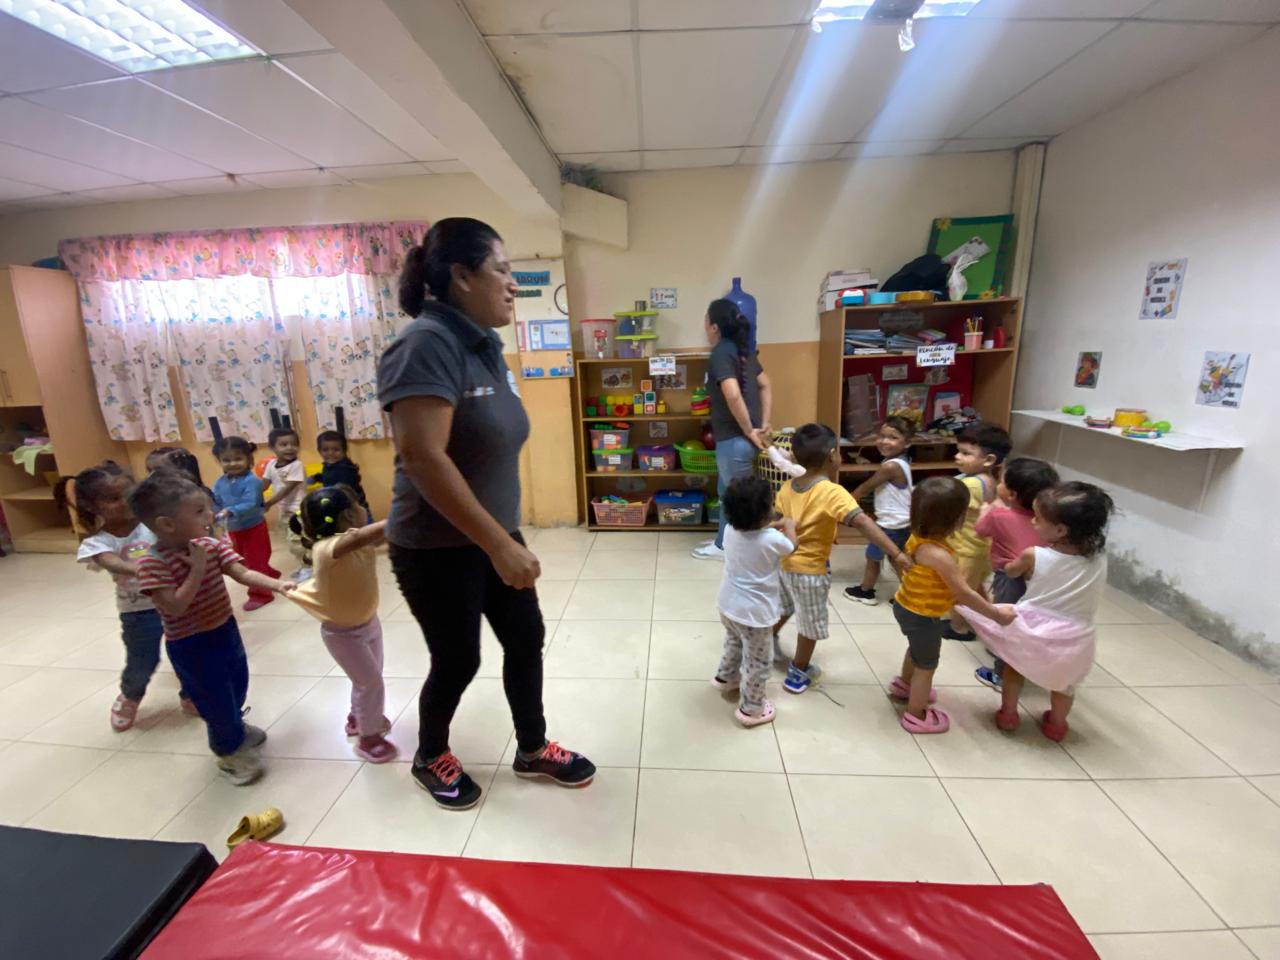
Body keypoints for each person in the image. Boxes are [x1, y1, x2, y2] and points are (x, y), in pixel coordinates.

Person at [378, 216, 594, 811]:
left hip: (493, 532)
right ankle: (430, 755)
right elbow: (422, 457)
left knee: (525, 637)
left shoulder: (484, 345)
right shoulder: (425, 344)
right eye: (502, 269)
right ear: (462, 276)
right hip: (436, 547)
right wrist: (499, 545)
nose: (513, 283)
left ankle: (532, 748)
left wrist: (503, 538)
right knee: (458, 658)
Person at [130, 471, 295, 784]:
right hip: (191, 645)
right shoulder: (152, 563)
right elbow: (174, 606)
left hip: (224, 630)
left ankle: (234, 727)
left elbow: (242, 572)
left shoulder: (209, 544)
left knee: (237, 684)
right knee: (215, 699)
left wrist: (278, 585)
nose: (210, 515)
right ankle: (228, 753)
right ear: (167, 524)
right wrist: (197, 568)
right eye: (199, 511)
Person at [956, 482, 1114, 742]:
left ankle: (1008, 715)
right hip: (1076, 635)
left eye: (1038, 519)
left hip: (1033, 627)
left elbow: (1012, 571)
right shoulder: (1099, 558)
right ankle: (1057, 724)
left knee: (1015, 669)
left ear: (1061, 530)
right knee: (1064, 684)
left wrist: (1011, 564)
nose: (1032, 522)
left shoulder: (1034, 555)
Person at [773, 423, 914, 695]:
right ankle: (798, 672)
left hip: (785, 564)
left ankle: (767, 642)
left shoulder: (787, 487)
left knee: (783, 607)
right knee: (810, 625)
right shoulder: (832, 492)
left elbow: (777, 521)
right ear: (832, 456)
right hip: (811, 571)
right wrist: (896, 553)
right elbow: (864, 523)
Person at [59, 462, 194, 729]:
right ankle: (130, 695)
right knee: (143, 659)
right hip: (139, 612)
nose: (125, 502)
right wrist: (141, 568)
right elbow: (109, 561)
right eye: (113, 499)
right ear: (91, 506)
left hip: (176, 600)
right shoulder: (98, 542)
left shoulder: (153, 525)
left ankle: (191, 694)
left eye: (128, 494)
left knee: (188, 651)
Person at [890, 477, 1015, 734]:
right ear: (957, 519)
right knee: (927, 666)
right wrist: (996, 614)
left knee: (917, 649)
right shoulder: (939, 555)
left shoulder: (918, 536)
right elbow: (964, 593)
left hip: (907, 606)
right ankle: (916, 714)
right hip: (923, 615)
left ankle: (905, 684)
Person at [287, 486, 396, 762]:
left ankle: (358, 716)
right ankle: (368, 738)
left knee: (369, 678)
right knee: (370, 682)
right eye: (359, 505)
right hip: (342, 634)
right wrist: (403, 511)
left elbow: (380, 538)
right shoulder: (326, 549)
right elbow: (365, 536)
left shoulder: (356, 542)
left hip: (368, 621)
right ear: (347, 516)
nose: (363, 509)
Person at [692, 299, 773, 561]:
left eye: (706, 321)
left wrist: (749, 430)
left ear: (714, 326)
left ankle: (729, 550)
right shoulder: (743, 351)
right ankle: (722, 541)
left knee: (737, 499)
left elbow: (733, 394)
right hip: (741, 440)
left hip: (734, 440)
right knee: (726, 493)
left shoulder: (721, 354)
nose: (705, 326)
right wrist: (763, 424)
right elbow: (766, 385)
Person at [713, 476, 797, 727]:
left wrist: (773, 523)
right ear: (763, 513)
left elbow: (758, 529)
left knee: (734, 641)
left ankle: (726, 677)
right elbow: (791, 546)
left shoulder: (730, 530)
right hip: (755, 615)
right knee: (757, 662)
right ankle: (752, 709)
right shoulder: (773, 539)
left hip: (728, 605)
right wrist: (789, 524)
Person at [971, 457, 1059, 690]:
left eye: (1001, 481)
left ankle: (1001, 675)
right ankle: (1028, 664)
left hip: (1009, 576)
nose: (997, 483)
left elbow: (980, 530)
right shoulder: (1048, 521)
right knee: (1030, 619)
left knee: (1007, 622)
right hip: (1042, 577)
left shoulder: (998, 515)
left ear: (1011, 494)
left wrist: (985, 510)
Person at [941, 423, 1011, 641]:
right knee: (974, 587)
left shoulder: (970, 484)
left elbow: (952, 510)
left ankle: (959, 628)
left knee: (960, 591)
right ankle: (993, 618)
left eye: (965, 453)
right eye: (958, 451)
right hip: (980, 548)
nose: (957, 456)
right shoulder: (989, 480)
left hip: (967, 549)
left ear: (988, 460)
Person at [843, 416, 915, 606]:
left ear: (907, 443)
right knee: (894, 557)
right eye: (882, 436)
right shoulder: (900, 461)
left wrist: (844, 502)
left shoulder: (891, 466)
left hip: (891, 524)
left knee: (873, 557)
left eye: (893, 437)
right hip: (901, 521)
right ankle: (910, 594)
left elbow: (866, 487)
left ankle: (866, 591)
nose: (884, 441)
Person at [212, 436, 281, 611]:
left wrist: (229, 510)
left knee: (254, 560)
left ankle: (261, 594)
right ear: (219, 461)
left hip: (253, 527)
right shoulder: (220, 482)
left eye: (238, 458)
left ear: (248, 458)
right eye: (226, 460)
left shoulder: (252, 481)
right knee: (242, 558)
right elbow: (216, 501)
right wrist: (212, 512)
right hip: (234, 529)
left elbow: (250, 503)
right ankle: (268, 574)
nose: (232, 463)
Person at [317, 430, 371, 517]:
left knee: (365, 523)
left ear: (344, 451)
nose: (330, 453)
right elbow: (328, 477)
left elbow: (346, 490)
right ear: (319, 451)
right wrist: (316, 478)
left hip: (354, 507)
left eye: (336, 450)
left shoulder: (345, 469)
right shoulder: (329, 465)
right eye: (325, 450)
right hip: (340, 504)